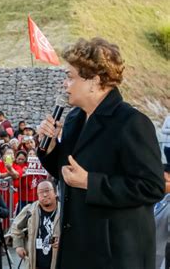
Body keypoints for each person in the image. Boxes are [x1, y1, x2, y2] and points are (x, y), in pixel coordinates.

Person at [37, 37, 165, 269]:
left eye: (70, 77)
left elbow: (152, 186)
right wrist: (51, 149)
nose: (65, 84)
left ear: (94, 81)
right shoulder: (75, 118)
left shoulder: (132, 123)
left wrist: (90, 182)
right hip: (77, 248)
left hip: (115, 255)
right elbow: (66, 173)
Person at [10, 180, 60, 269]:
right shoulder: (30, 210)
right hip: (34, 263)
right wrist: (18, 245)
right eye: (41, 192)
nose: (44, 195)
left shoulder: (64, 211)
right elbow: (16, 227)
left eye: (47, 190)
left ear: (55, 193)